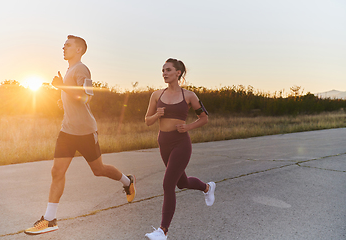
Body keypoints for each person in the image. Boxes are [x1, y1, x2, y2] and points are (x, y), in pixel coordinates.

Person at [24, 35, 136, 235]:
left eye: (68, 45)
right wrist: (63, 101)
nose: (63, 47)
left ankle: (127, 181)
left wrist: (61, 87)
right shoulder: (69, 70)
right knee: (57, 172)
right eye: (64, 44)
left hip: (85, 132)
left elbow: (87, 96)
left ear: (79, 50)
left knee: (99, 169)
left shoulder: (82, 69)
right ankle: (50, 219)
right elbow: (74, 99)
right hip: (67, 131)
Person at [144, 58, 216, 240]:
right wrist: (156, 115)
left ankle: (163, 231)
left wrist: (188, 127)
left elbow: (204, 118)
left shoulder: (189, 95)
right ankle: (207, 188)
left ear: (178, 73)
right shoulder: (156, 95)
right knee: (181, 182)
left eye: (168, 70)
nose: (164, 73)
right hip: (164, 142)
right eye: (163, 70)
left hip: (181, 143)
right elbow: (147, 121)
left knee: (168, 184)